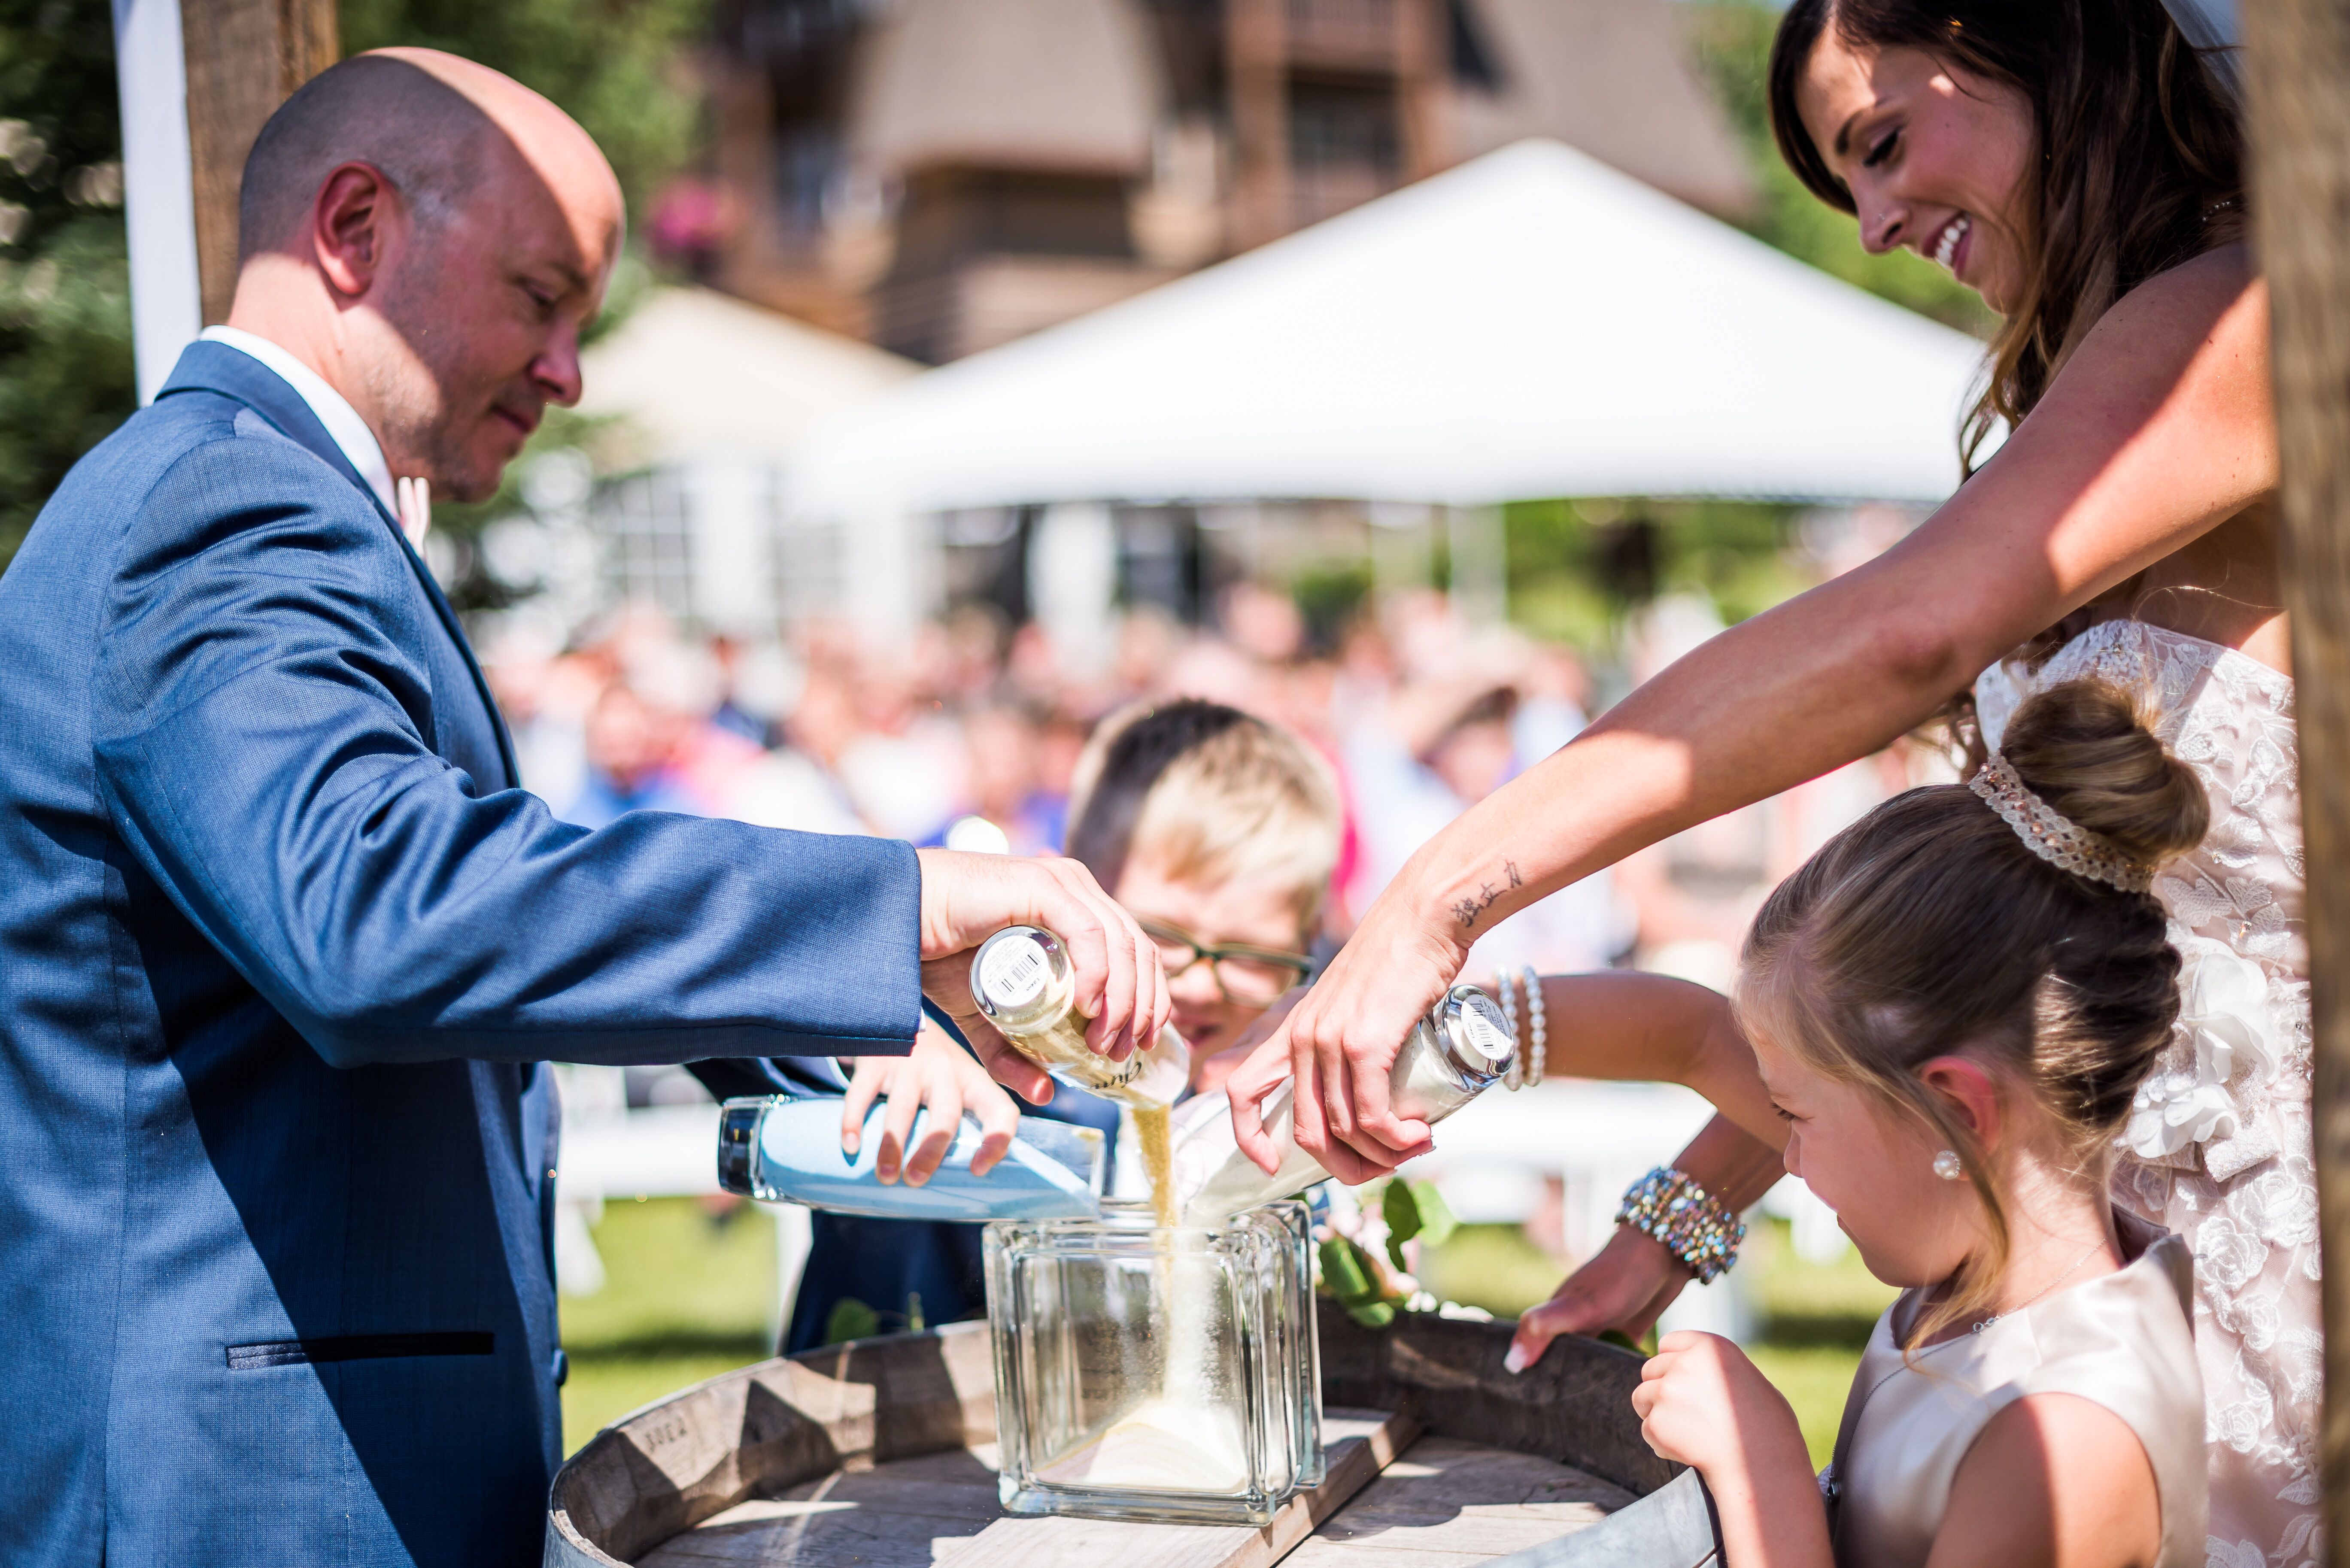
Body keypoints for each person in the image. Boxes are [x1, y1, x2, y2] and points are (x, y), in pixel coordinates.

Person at [0, 50, 1165, 1568]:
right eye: (541, 297)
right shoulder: (224, 512)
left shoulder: (260, 502)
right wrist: (899, 907)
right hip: (236, 1502)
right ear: (353, 226)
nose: (566, 371)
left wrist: (869, 1009)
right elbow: (376, 913)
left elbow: (464, 912)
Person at [1227, 1, 2314, 1556]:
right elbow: (1982, 935)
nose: (1874, 224)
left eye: (1877, 145)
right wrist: (1684, 1214)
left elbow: (1903, 633)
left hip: (2274, 1266)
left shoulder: (2251, 314)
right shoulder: (2097, 373)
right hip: (2066, 1243)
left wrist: (1436, 897)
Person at [1510, 680, 2209, 1568]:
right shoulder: (1971, 1273)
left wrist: (1760, 1467)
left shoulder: (2067, 1439)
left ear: (1956, 1109)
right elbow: (1686, 1034)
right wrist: (1439, 1040)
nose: (1781, 1155)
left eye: (1795, 1115)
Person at [785, 698, 1344, 1350]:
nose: (1196, 982)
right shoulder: (956, 1029)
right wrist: (877, 1028)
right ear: (1069, 889)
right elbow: (762, 1001)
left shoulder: (1274, 1106)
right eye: (1158, 936)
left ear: (1304, 944)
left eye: (1251, 955)